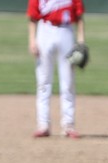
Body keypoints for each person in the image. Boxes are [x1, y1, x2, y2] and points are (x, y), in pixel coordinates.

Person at [27, 0, 85, 139]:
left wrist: (81, 40)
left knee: (68, 81)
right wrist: (32, 40)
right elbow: (33, 17)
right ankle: (43, 125)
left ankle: (68, 125)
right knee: (43, 81)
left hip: (66, 31)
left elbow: (79, 16)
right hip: (45, 31)